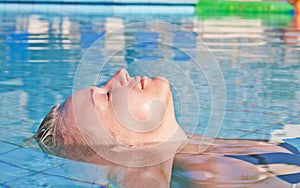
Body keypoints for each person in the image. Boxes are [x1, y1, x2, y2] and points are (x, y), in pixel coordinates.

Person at [35, 69, 300, 188]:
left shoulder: (196, 146)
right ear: (121, 146)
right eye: (105, 96)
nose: (120, 74)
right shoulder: (197, 176)